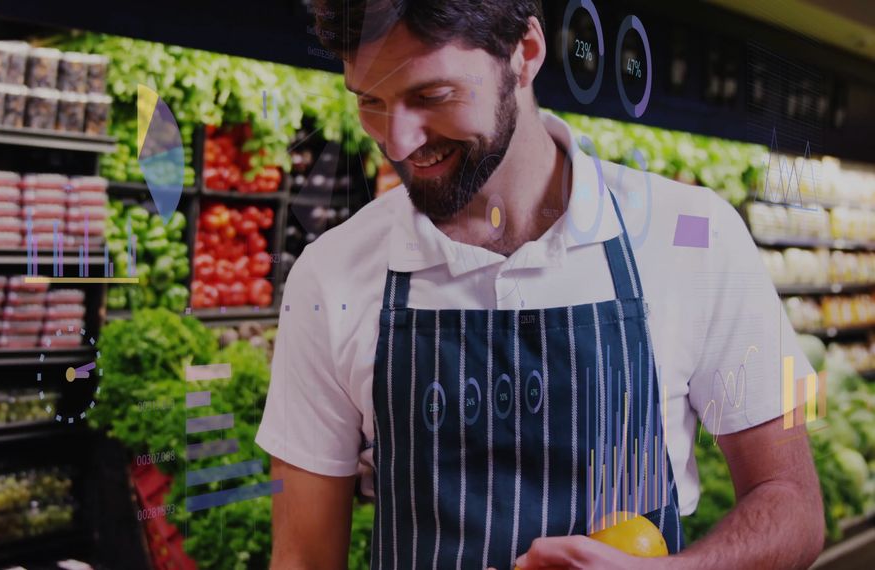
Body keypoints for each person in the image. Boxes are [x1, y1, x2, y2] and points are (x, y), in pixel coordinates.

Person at [255, 1, 825, 568]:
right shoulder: (329, 274)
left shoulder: (697, 237)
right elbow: (302, 558)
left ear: (524, 53)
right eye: (370, 102)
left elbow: (793, 503)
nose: (398, 142)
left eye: (431, 96)